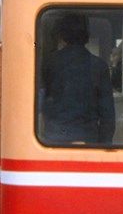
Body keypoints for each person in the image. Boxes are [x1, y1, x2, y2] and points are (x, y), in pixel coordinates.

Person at [41, 13, 116, 144]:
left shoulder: (49, 63)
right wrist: (104, 144)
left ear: (62, 35)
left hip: (54, 136)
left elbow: (40, 100)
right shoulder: (99, 66)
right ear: (86, 36)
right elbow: (107, 112)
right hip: (89, 136)